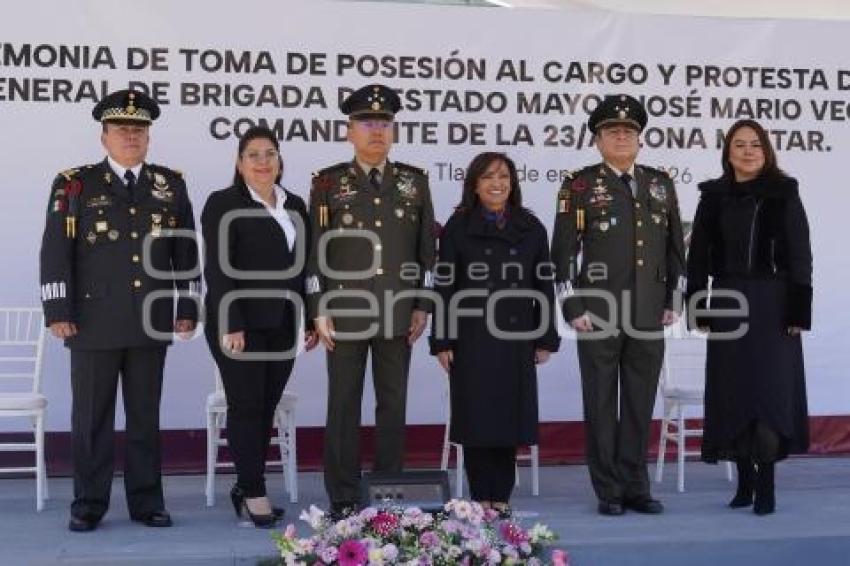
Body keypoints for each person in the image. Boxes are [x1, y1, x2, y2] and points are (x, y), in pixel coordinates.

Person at [39, 89, 199, 531]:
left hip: (150, 316)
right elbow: (56, 250)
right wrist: (57, 308)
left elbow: (185, 250)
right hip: (92, 319)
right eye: (122, 129)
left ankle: (147, 502)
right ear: (104, 136)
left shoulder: (170, 184)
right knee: (92, 418)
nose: (132, 136)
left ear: (149, 137)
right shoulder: (75, 183)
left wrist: (186, 303)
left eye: (139, 129)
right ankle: (89, 503)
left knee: (145, 415)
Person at [305, 84, 436, 517]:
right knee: (342, 405)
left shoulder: (414, 182)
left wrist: (422, 304)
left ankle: (387, 493)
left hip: (398, 312)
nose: (376, 131)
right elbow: (313, 252)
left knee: (392, 405)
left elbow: (425, 254)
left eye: (384, 123)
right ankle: (342, 497)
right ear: (349, 131)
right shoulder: (327, 183)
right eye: (367, 123)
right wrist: (318, 307)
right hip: (344, 313)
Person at [551, 94, 686, 516]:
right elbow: (563, 252)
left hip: (649, 311)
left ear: (640, 139)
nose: (622, 136)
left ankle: (635, 486)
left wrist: (675, 299)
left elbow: (674, 248)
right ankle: (608, 489)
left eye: (629, 130)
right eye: (612, 131)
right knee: (601, 402)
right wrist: (572, 307)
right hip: (598, 311)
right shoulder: (580, 185)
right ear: (598, 140)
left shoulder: (660, 183)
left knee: (639, 403)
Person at [686, 119, 812, 516]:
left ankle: (767, 486)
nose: (747, 151)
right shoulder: (713, 195)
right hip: (726, 300)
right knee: (732, 389)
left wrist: (798, 311)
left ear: (766, 150)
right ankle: (744, 482)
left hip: (773, 303)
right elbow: (698, 257)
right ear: (728, 152)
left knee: (770, 392)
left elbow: (800, 255)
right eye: (739, 144)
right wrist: (698, 306)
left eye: (754, 144)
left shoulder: (784, 192)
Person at [430, 152, 560, 517]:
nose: (496, 183)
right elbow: (445, 288)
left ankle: (500, 496)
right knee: (476, 419)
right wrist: (442, 340)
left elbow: (543, 286)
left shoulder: (531, 227)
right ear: (474, 184)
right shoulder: (458, 227)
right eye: (487, 177)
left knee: (507, 418)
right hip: (470, 337)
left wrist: (545, 337)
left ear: (513, 182)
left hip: (516, 337)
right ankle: (479, 495)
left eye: (503, 176)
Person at [201, 126, 318, 528]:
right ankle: (253, 491)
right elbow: (217, 267)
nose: (263, 161)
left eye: (270, 153)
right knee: (247, 406)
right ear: (239, 162)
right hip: (240, 325)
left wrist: (310, 317)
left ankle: (244, 485)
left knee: (265, 406)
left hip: (284, 325)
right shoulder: (222, 203)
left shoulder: (296, 205)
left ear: (279, 160)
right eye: (253, 154)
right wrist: (231, 322)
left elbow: (306, 269)